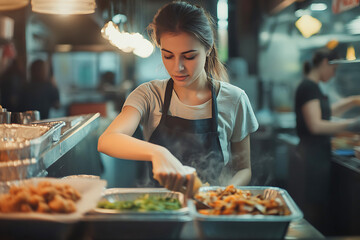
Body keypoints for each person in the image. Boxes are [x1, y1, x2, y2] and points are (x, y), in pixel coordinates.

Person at [98, 1, 258, 196]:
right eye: (168, 56)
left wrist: (221, 194)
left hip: (210, 209)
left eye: (189, 57)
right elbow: (107, 140)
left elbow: (243, 169)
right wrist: (158, 152)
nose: (177, 67)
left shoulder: (234, 99)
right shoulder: (149, 95)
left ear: (208, 50)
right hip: (160, 210)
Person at [294, 47, 360, 233]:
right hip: (312, 159)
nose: (333, 74)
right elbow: (316, 125)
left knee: (317, 208)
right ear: (324, 63)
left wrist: (353, 101)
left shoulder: (312, 87)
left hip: (316, 156)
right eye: (334, 69)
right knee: (312, 211)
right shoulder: (308, 87)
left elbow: (328, 113)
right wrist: (352, 124)